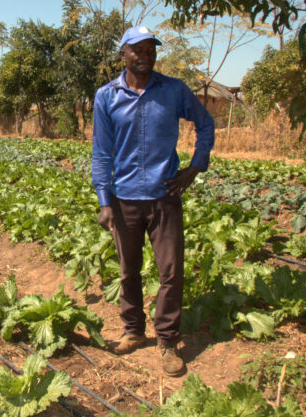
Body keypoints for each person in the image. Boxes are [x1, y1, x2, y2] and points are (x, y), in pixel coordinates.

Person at [92, 26, 215, 377]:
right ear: (123, 54)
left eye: (151, 49)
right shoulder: (106, 96)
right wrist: (104, 200)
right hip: (124, 199)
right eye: (138, 49)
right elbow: (101, 152)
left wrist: (195, 167)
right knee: (129, 271)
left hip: (164, 197)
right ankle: (133, 331)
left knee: (171, 272)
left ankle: (167, 340)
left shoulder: (173, 90)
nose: (146, 54)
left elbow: (206, 124)